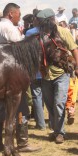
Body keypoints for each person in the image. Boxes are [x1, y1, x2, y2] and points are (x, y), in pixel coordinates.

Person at [0, 3, 41, 154]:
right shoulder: (10, 28)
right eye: (18, 13)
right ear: (11, 14)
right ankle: (22, 143)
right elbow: (21, 50)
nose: (19, 16)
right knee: (21, 108)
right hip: (11, 75)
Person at [36, 8, 78, 143]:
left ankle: (60, 133)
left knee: (59, 103)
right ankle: (55, 130)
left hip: (62, 74)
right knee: (49, 105)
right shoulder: (41, 35)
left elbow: (73, 49)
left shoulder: (63, 32)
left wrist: (77, 66)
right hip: (45, 75)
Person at [23, 12, 46, 130]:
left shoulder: (30, 33)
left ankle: (41, 124)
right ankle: (52, 123)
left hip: (35, 68)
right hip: (47, 69)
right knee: (47, 96)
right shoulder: (49, 31)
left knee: (37, 96)